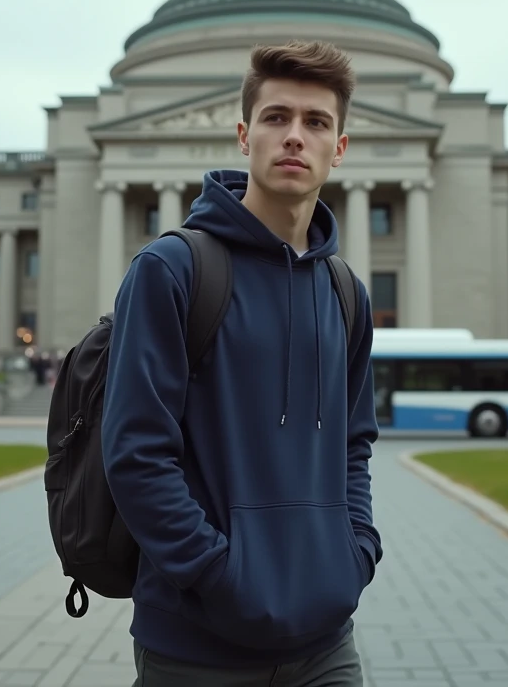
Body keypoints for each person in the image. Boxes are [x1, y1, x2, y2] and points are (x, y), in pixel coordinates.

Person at [101, 40, 381, 686]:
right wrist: (217, 577)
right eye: (276, 117)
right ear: (243, 135)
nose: (294, 136)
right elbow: (136, 455)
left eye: (316, 122)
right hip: (197, 646)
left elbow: (354, 444)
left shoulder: (346, 293)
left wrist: (356, 554)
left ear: (339, 147)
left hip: (326, 644)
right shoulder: (171, 270)